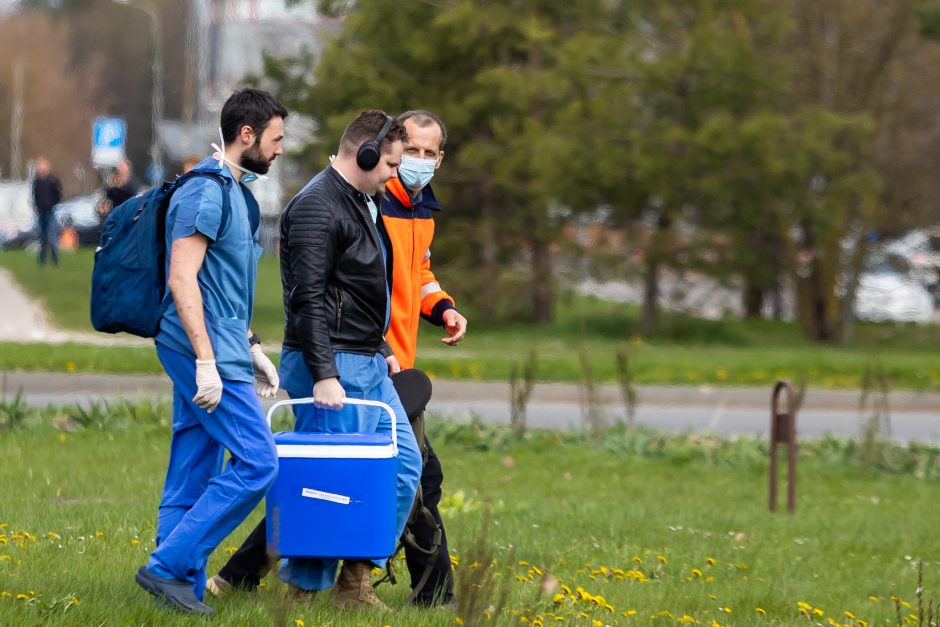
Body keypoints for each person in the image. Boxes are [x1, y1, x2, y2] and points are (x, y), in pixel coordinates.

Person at [207, 110, 422, 610]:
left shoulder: (362, 201)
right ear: (365, 155)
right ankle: (304, 590)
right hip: (332, 363)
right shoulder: (316, 207)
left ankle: (355, 579)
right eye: (390, 164)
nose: (395, 175)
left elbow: (359, 289)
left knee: (404, 466)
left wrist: (383, 348)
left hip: (364, 357)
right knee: (329, 481)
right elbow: (307, 299)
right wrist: (325, 374)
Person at [133, 88, 287, 616]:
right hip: (198, 348)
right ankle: (167, 566)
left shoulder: (237, 194)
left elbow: (224, 287)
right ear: (247, 135)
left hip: (222, 345)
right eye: (276, 139)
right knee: (259, 461)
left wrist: (250, 347)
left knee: (194, 464)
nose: (281, 150)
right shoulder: (203, 192)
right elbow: (182, 280)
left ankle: (179, 591)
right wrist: (206, 361)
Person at [380, 109, 467, 607]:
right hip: (374, 362)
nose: (417, 160)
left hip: (403, 367)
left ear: (440, 159)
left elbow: (421, 275)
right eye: (409, 149)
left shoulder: (422, 211)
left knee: (351, 472)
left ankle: (241, 574)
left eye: (427, 153)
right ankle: (435, 596)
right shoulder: (375, 206)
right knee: (419, 476)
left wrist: (445, 308)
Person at [31, 157, 62, 266]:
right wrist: (36, 206)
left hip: (50, 211)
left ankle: (55, 260)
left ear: (47, 168)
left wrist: (53, 204)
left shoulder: (53, 180)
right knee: (42, 237)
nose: (40, 169)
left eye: (42, 167)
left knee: (52, 236)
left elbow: (58, 194)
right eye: (39, 167)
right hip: (40, 211)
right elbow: (34, 195)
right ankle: (42, 260)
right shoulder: (36, 181)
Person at [96, 159, 139, 230]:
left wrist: (118, 187)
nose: (119, 168)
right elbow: (108, 194)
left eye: (122, 166)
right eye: (119, 166)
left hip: (127, 212)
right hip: (114, 212)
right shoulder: (114, 178)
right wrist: (111, 186)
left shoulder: (132, 180)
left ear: (127, 168)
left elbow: (131, 193)